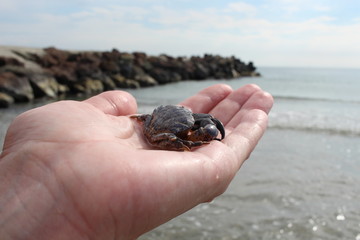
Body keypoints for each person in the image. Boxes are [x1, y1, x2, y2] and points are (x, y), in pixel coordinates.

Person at [0, 84, 273, 239]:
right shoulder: (185, 123)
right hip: (166, 134)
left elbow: (144, 119)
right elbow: (192, 129)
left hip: (153, 125)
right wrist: (189, 142)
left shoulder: (153, 116)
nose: (198, 120)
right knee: (188, 135)